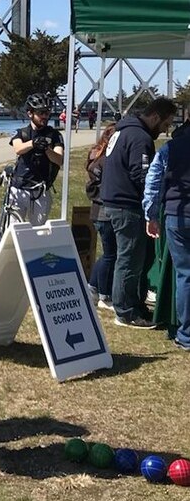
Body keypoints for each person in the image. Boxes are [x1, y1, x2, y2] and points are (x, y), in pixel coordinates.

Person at [101, 97, 177, 328]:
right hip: (127, 205)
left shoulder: (122, 131)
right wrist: (156, 197)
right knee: (130, 259)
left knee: (135, 257)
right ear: (155, 117)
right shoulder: (139, 138)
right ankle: (125, 311)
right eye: (165, 124)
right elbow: (142, 175)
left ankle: (133, 303)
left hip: (114, 201)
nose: (165, 130)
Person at [143, 134, 190, 351]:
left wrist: (151, 215)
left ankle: (186, 333)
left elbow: (153, 181)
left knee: (185, 274)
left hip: (177, 214)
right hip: (178, 213)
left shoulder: (170, 148)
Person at [7, 93, 64, 224]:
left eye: (47, 112)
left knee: (39, 232)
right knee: (15, 230)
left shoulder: (54, 135)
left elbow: (59, 159)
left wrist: (46, 149)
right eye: (41, 112)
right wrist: (33, 143)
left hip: (40, 190)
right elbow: (18, 148)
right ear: (30, 113)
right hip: (19, 189)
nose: (45, 116)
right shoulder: (21, 133)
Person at [86, 125, 117, 311]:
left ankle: (93, 287)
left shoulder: (96, 156)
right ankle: (105, 295)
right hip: (104, 212)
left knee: (108, 254)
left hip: (98, 211)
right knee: (110, 255)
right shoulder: (104, 160)